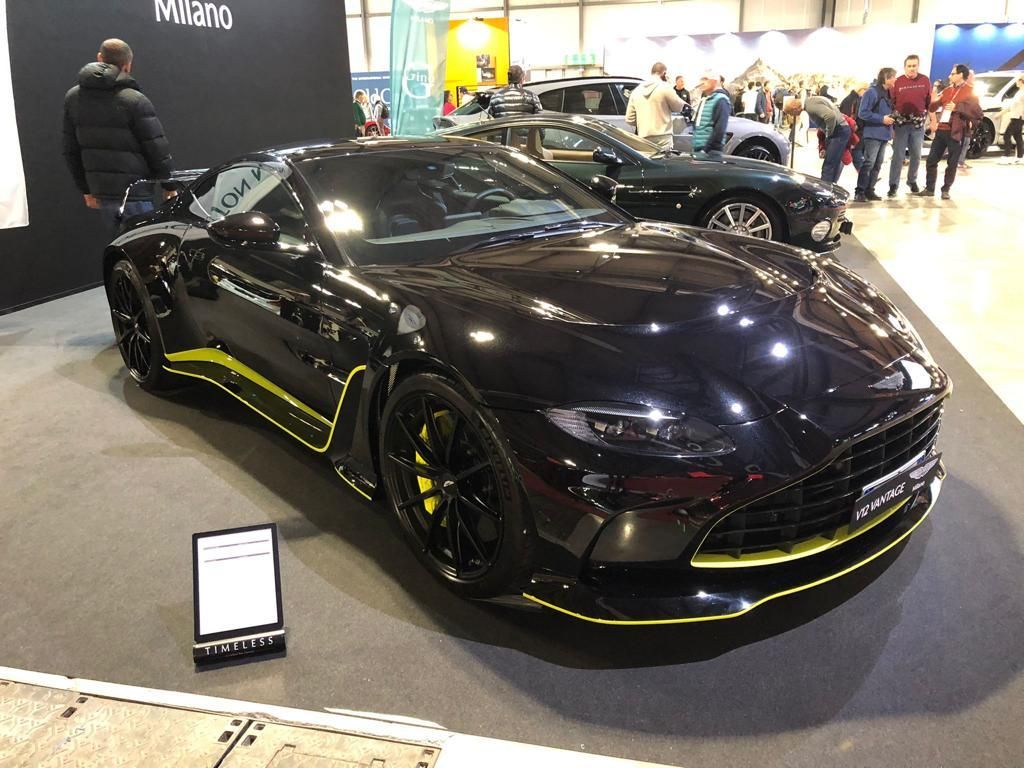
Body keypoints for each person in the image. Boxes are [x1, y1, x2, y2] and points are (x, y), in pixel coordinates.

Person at [62, 38, 173, 235]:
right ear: (127, 65)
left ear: (99, 57)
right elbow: (156, 148)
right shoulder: (134, 100)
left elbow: (70, 150)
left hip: (103, 194)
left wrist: (86, 189)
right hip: (136, 193)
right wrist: (169, 185)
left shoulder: (73, 98)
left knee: (122, 245)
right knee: (143, 246)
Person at [917, 64, 983, 200]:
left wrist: (957, 107)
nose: (949, 76)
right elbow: (934, 106)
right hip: (942, 129)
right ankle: (929, 188)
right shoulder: (947, 90)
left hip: (956, 132)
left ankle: (946, 189)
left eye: (953, 74)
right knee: (931, 160)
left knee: (952, 163)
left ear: (961, 75)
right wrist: (933, 101)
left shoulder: (970, 91)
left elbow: (977, 113)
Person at [887, 54, 930, 196]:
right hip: (901, 126)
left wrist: (931, 120)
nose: (912, 68)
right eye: (909, 66)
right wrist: (892, 125)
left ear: (918, 66)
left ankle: (912, 181)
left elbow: (928, 102)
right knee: (898, 156)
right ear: (905, 67)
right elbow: (891, 103)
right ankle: (893, 185)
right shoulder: (898, 82)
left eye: (914, 65)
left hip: (918, 126)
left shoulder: (925, 80)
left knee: (916, 155)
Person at [785, 94, 850, 183]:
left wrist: (828, 135)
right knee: (833, 164)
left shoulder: (810, 105)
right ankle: (831, 187)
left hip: (838, 131)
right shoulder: (811, 102)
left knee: (829, 166)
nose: (792, 115)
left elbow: (830, 116)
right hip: (840, 130)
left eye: (790, 113)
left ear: (794, 108)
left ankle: (825, 189)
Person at [854, 67, 897, 202]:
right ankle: (860, 191)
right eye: (893, 77)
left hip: (884, 134)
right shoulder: (871, 92)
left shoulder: (887, 93)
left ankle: (870, 190)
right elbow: (862, 113)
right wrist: (881, 119)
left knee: (877, 164)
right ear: (886, 78)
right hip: (873, 134)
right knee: (869, 163)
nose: (895, 79)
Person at [625, 62, 684, 150]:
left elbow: (629, 119)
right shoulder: (665, 88)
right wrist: (670, 84)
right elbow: (678, 107)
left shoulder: (636, 91)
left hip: (644, 138)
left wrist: (643, 123)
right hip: (664, 139)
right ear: (664, 73)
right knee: (664, 159)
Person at [693, 71, 731, 158]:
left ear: (714, 81)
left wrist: (705, 150)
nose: (702, 82)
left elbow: (720, 129)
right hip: (700, 149)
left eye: (705, 79)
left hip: (710, 152)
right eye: (701, 79)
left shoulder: (721, 100)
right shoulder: (706, 99)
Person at [839, 82, 869, 170]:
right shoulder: (852, 100)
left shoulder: (851, 99)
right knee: (856, 154)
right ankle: (864, 175)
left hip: (854, 132)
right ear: (861, 89)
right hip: (854, 132)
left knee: (856, 154)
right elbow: (847, 117)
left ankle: (864, 174)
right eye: (866, 91)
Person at [999, 74, 1024, 164]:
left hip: (1018, 117)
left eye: (1017, 80)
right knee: (1017, 137)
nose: (1016, 82)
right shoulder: (1019, 92)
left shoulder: (1023, 93)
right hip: (1015, 116)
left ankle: (1007, 156)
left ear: (1021, 81)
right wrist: (1001, 113)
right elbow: (1011, 106)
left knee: (1007, 135)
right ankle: (1020, 157)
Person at [956, 69, 977, 171]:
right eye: (972, 76)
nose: (973, 78)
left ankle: (960, 161)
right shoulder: (965, 89)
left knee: (966, 141)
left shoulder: (971, 89)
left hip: (968, 119)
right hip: (963, 119)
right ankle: (959, 161)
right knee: (964, 141)